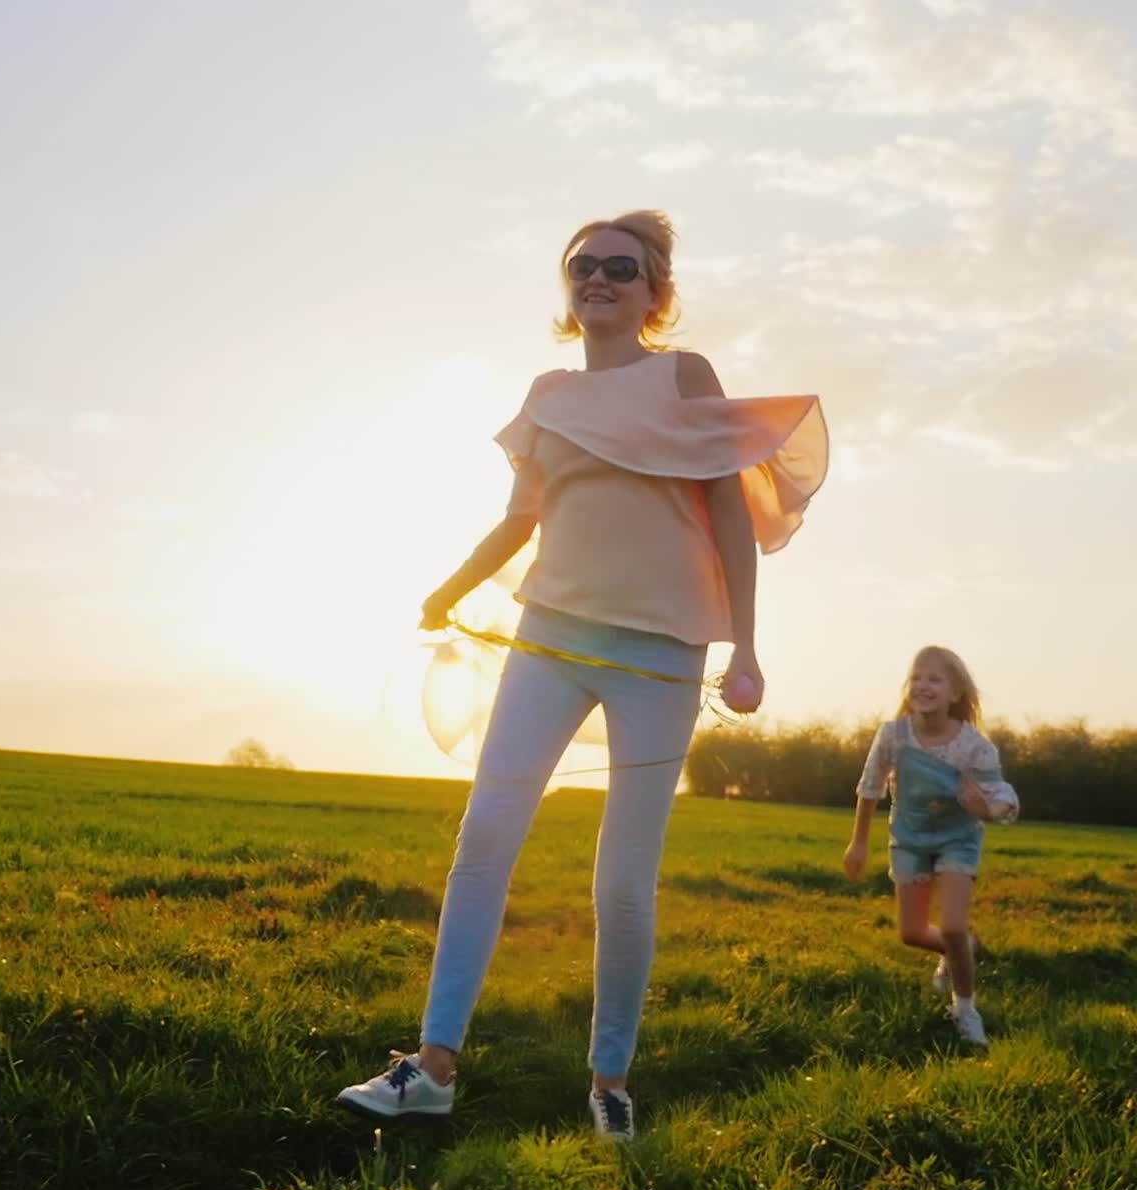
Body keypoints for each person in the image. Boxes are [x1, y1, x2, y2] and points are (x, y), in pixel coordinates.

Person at [338, 210, 827, 1139]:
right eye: (582, 267)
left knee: (623, 880)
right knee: (484, 837)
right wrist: (449, 587)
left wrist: (747, 646)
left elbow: (727, 511)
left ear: (655, 292)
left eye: (621, 267)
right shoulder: (548, 393)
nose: (598, 278)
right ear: (569, 289)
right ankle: (432, 1065)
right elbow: (520, 518)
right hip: (550, 640)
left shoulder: (683, 376)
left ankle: (609, 1080)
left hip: (662, 654)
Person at [843, 646, 1019, 1047]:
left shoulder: (974, 746)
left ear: (956, 693)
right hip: (909, 840)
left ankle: (965, 1009)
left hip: (958, 838)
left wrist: (987, 808)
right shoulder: (893, 735)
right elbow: (869, 789)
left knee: (953, 924)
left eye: (934, 679)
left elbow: (1003, 797)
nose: (923, 685)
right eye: (916, 678)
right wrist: (858, 844)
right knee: (912, 933)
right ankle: (966, 949)